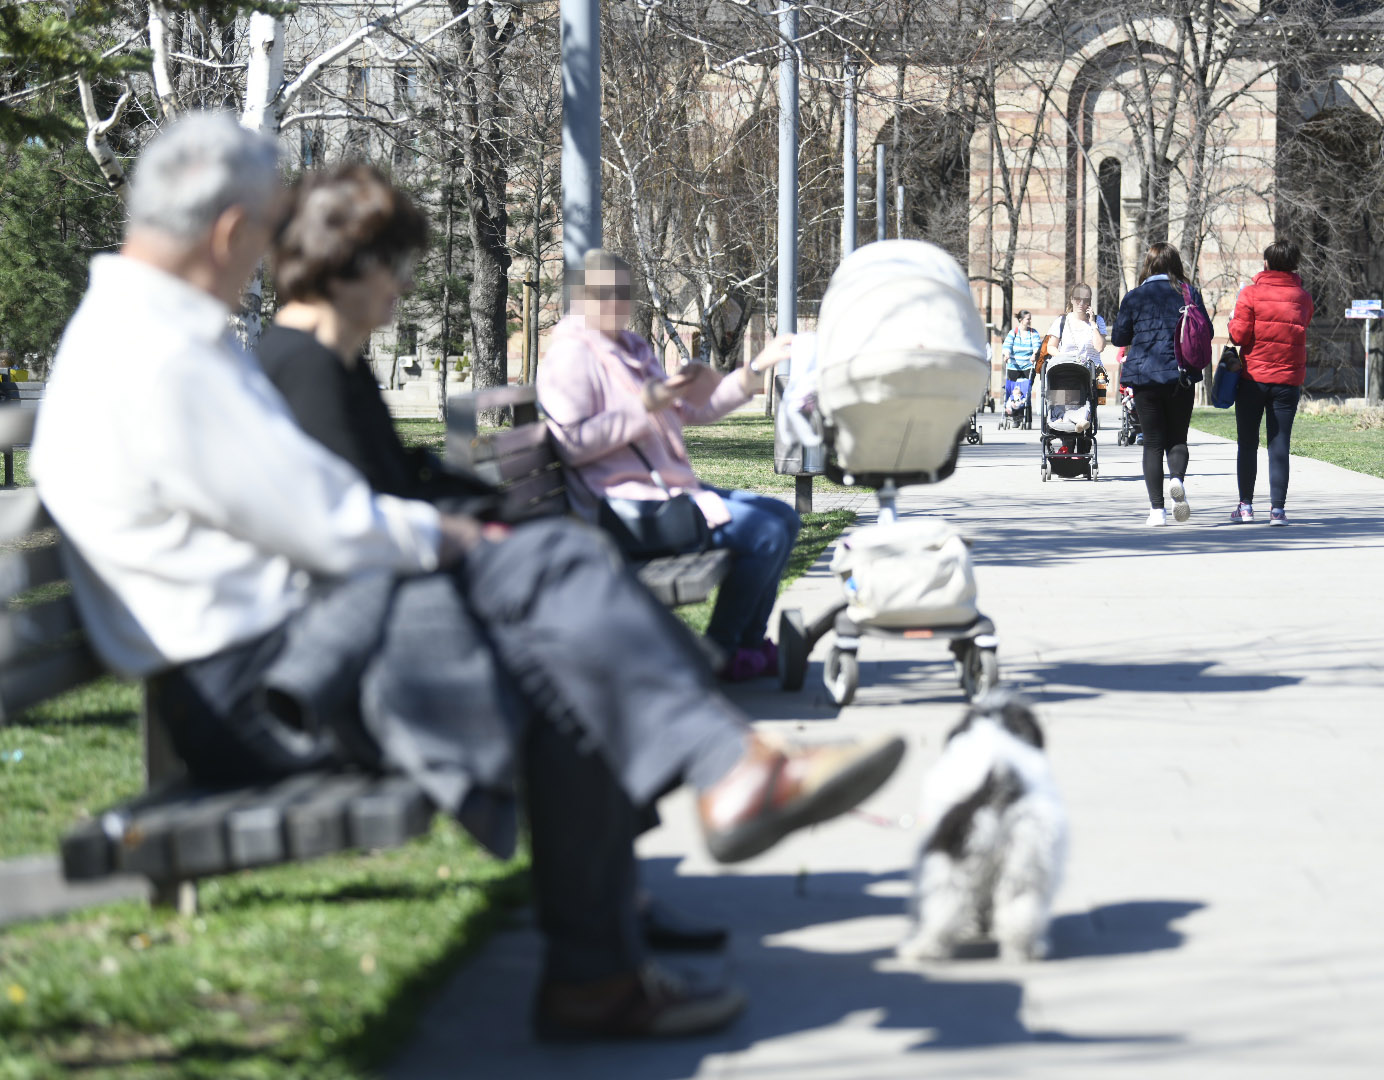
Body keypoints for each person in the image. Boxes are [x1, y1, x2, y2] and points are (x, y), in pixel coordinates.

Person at [30, 113, 905, 1041]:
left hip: (290, 649)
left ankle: (658, 885)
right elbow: (326, 519)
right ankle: (714, 797)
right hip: (266, 690)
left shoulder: (153, 336)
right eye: (265, 234)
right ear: (224, 233)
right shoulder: (158, 353)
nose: (267, 261)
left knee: (559, 596)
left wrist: (453, 538)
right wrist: (454, 543)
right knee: (552, 603)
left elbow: (319, 510)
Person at [257, 162, 737, 955]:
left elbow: (396, 487)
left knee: (575, 641)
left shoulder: (331, 365)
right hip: (352, 666)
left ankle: (619, 913)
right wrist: (477, 534)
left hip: (389, 618)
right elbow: (355, 531)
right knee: (569, 672)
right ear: (350, 262)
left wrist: (484, 517)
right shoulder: (300, 371)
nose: (403, 291)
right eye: (397, 268)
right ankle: (611, 939)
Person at [539, 251, 803, 683]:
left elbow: (695, 411)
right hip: (626, 510)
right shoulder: (572, 356)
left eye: (623, 293)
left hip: (667, 494)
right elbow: (571, 445)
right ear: (580, 298)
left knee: (784, 518)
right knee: (765, 532)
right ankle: (721, 652)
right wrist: (644, 406)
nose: (615, 303)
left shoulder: (630, 347)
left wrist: (755, 367)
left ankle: (746, 647)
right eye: (602, 294)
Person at [1110, 242, 1210, 526]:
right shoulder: (1190, 294)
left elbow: (1119, 337)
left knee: (1152, 443)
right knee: (1177, 438)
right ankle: (1176, 478)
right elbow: (1207, 331)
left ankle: (1157, 511)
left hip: (1145, 378)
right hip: (1181, 376)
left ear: (1149, 265)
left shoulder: (1134, 297)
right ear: (1175, 265)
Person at [1225, 239, 1314, 526]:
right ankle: (1277, 510)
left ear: (1266, 263)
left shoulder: (1250, 294)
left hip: (1253, 378)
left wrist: (1232, 319)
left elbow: (1238, 336)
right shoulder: (1303, 297)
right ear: (1294, 265)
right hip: (1288, 380)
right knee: (1279, 445)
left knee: (1247, 443)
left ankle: (1246, 506)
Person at [1041, 284, 1107, 371]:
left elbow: (1099, 347)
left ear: (1089, 301)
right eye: (1077, 299)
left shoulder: (1098, 320)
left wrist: (1093, 323)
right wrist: (1063, 358)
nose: (1081, 303)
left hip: (1092, 373)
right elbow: (1051, 346)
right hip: (1068, 372)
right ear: (1072, 299)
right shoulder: (1061, 321)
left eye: (1085, 299)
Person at [1001, 309, 1040, 408]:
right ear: (1021, 320)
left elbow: (1037, 345)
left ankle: (1026, 415)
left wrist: (1034, 354)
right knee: (1013, 390)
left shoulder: (1033, 333)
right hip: (1014, 366)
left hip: (1028, 366)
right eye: (1028, 319)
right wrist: (1007, 354)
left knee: (1026, 390)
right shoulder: (1013, 332)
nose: (1030, 321)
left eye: (1030, 319)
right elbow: (1007, 345)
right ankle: (1012, 412)